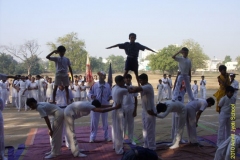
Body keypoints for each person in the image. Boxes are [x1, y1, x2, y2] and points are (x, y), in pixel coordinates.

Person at [128, 73, 156, 150]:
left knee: (150, 130)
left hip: (150, 111)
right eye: (139, 80)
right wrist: (126, 87)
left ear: (145, 80)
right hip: (145, 110)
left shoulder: (148, 86)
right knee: (145, 129)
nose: (140, 82)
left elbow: (137, 89)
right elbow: (134, 88)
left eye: (141, 80)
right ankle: (146, 145)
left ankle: (152, 147)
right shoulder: (143, 86)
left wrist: (127, 88)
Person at [87, 71, 112, 142]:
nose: (101, 77)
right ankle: (92, 137)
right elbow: (89, 93)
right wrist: (92, 96)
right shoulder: (94, 85)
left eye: (102, 76)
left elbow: (111, 93)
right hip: (96, 105)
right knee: (94, 121)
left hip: (105, 105)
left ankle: (106, 136)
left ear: (104, 77)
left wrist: (110, 97)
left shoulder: (107, 85)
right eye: (100, 76)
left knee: (105, 121)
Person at [122, 74, 138, 145]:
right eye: (126, 78)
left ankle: (131, 139)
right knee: (123, 124)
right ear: (124, 79)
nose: (128, 79)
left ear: (131, 79)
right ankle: (122, 139)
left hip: (131, 107)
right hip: (124, 107)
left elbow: (136, 98)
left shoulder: (133, 88)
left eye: (129, 78)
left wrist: (135, 110)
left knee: (131, 124)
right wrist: (122, 109)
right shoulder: (122, 88)